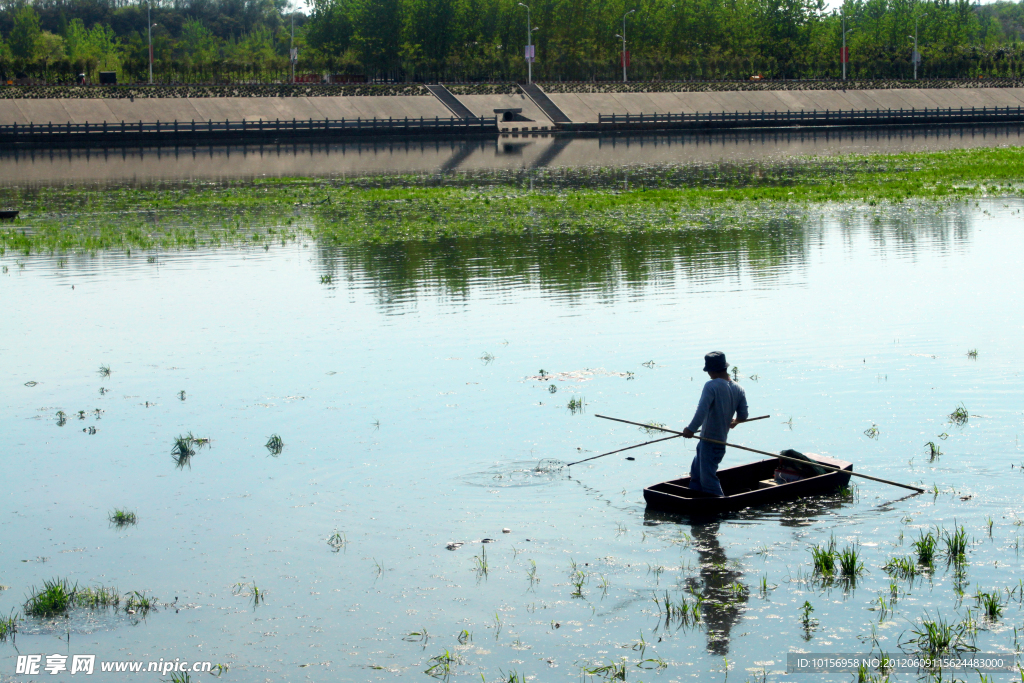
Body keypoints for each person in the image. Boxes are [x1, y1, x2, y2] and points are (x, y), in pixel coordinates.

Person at [681, 351, 748, 497]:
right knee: (696, 474)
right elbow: (743, 416)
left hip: (710, 442)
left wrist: (691, 429)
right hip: (717, 443)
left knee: (708, 480)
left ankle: (720, 509)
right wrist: (735, 422)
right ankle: (694, 501)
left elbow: (702, 411)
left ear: (711, 370)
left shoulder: (711, 386)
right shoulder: (739, 388)